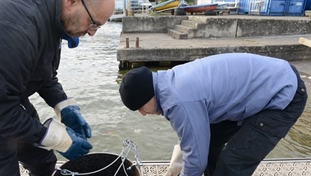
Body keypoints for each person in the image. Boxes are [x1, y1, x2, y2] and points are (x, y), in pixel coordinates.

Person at [0, 0, 115, 175]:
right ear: (71, 2)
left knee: (42, 159)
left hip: (2, 91)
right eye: (93, 23)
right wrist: (57, 138)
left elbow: (42, 71)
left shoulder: (52, 17)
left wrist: (64, 106)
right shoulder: (14, 26)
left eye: (98, 27)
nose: (92, 32)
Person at [119, 53, 308, 176]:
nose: (143, 114)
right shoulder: (168, 81)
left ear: (148, 95)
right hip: (262, 85)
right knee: (208, 145)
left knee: (231, 165)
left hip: (283, 93)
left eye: (140, 107)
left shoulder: (179, 101)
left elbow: (195, 164)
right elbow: (197, 147)